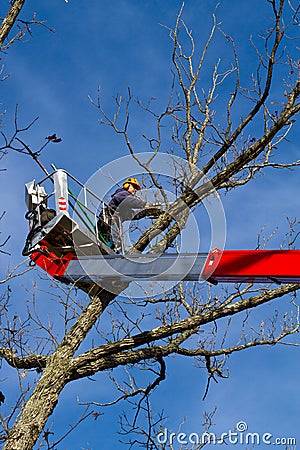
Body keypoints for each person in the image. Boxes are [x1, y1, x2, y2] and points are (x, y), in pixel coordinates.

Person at [97, 177, 148, 251]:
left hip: (114, 223)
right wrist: (145, 204)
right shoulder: (122, 194)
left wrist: (147, 211)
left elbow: (133, 214)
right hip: (108, 220)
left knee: (115, 243)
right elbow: (130, 201)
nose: (135, 190)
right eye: (134, 187)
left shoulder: (125, 206)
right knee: (111, 240)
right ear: (128, 185)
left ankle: (110, 250)